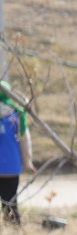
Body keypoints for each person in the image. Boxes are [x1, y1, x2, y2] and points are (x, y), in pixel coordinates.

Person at [0, 82, 33, 226]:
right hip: (10, 166)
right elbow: (24, 141)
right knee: (10, 201)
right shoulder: (17, 115)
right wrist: (27, 162)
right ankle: (12, 226)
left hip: (7, 166)